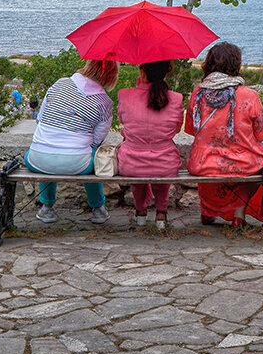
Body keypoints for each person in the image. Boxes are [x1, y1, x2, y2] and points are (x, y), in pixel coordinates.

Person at [185, 42, 263, 226]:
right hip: (241, 162)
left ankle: (207, 211)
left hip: (201, 163)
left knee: (209, 169)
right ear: (235, 64)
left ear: (209, 64)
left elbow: (192, 130)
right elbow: (261, 134)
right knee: (261, 168)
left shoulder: (197, 94)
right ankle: (239, 216)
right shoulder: (249, 95)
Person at [24, 59, 118, 224]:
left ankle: (47, 208)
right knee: (93, 157)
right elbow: (97, 141)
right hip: (77, 164)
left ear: (88, 66)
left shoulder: (59, 84)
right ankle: (98, 209)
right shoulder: (104, 103)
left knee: (48, 152)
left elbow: (40, 118)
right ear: (110, 76)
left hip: (37, 160)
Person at [117, 60, 185, 229]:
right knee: (161, 168)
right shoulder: (176, 98)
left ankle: (140, 212)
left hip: (131, 164)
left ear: (142, 72)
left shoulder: (125, 95)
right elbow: (176, 129)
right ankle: (161, 214)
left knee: (137, 166)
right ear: (166, 73)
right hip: (165, 164)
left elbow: (123, 122)